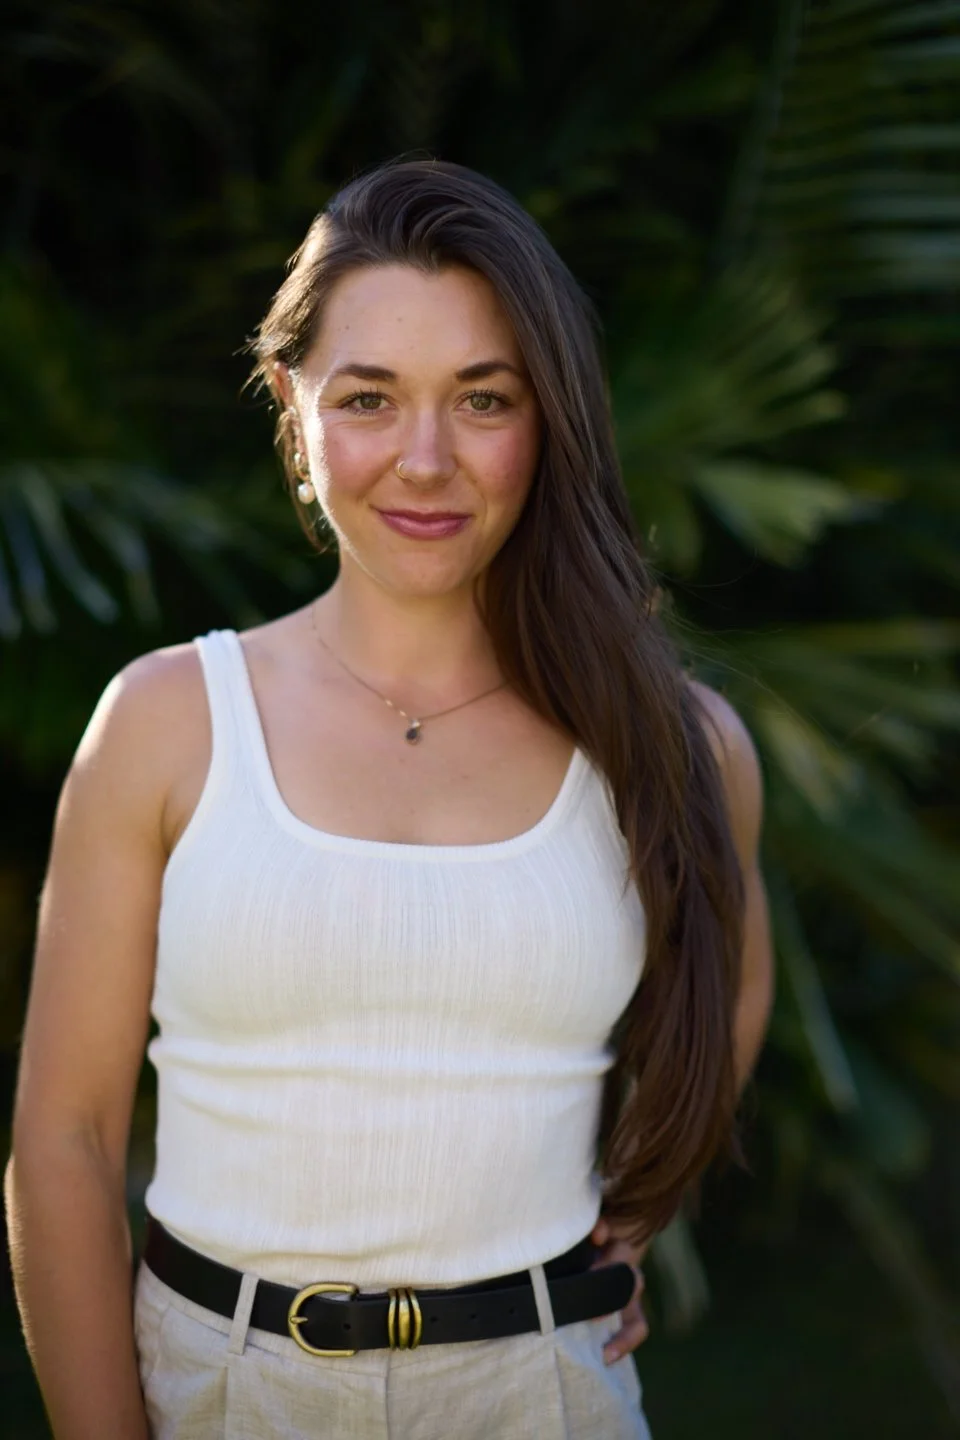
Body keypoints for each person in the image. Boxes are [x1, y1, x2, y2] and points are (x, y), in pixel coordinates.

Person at [6, 158, 774, 1440]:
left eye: (484, 399)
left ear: (552, 421)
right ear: (292, 411)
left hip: (545, 1392)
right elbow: (66, 1140)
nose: (425, 459)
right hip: (225, 1387)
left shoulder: (677, 746)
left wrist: (637, 1217)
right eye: (369, 398)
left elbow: (728, 983)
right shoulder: (166, 721)